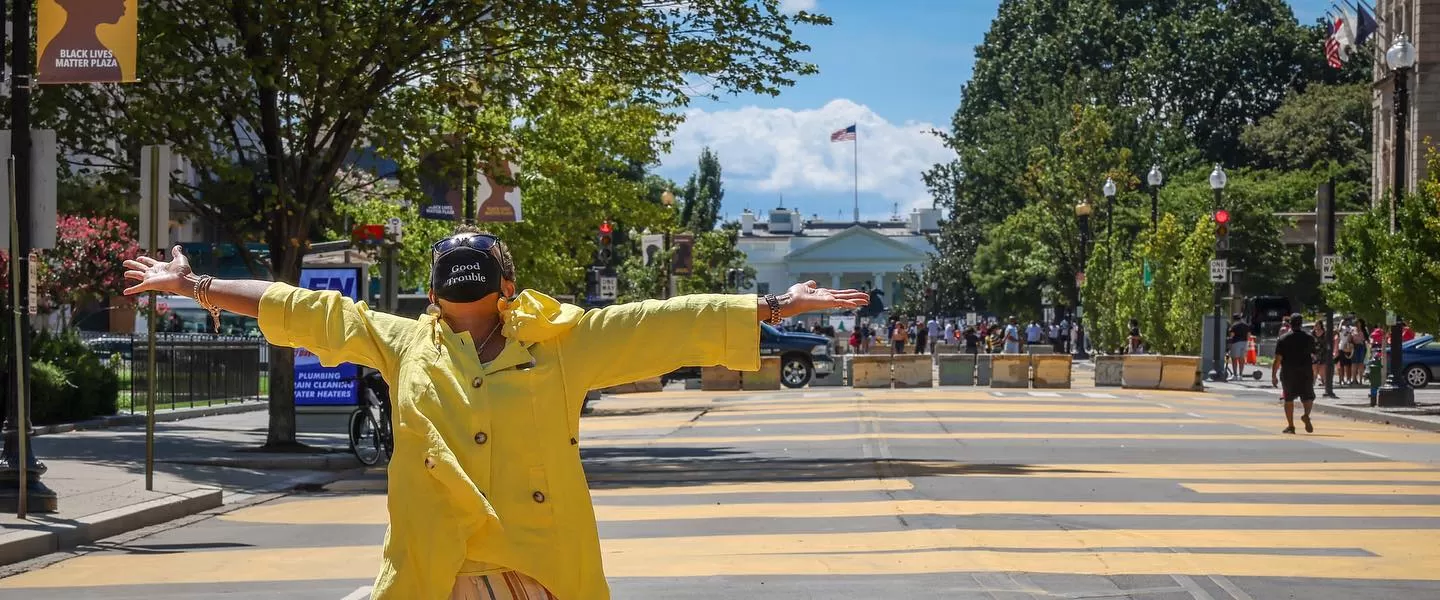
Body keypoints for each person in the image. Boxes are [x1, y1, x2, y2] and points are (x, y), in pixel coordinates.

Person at [120, 230, 865, 600]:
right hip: (436, 574)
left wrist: (768, 307)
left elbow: (661, 324)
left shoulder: (561, 343)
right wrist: (202, 286)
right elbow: (310, 312)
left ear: (501, 290)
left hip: (529, 574)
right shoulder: (409, 343)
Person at [1272, 313, 1317, 434]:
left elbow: (1278, 359)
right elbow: (1313, 355)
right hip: (1305, 371)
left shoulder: (1283, 339)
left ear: (1290, 324)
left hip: (1288, 372)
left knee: (1288, 399)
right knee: (1308, 396)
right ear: (1301, 323)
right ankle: (1306, 414)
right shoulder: (1309, 338)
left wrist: (1273, 375)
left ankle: (1291, 426)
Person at [1227, 313, 1249, 381]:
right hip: (1244, 343)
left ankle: (1235, 375)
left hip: (1236, 342)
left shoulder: (1234, 325)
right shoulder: (1246, 325)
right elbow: (1248, 335)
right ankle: (1241, 375)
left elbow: (1232, 335)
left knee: (1234, 359)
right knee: (1242, 359)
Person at [1310, 320, 1328, 386]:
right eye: (1315, 324)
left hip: (1323, 353)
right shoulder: (1312, 333)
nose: (1316, 326)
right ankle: (1313, 383)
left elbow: (1326, 343)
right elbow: (1310, 343)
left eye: (1317, 324)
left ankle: (1325, 383)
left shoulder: (1324, 333)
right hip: (1314, 353)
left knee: (1322, 369)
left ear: (1321, 325)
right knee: (1314, 369)